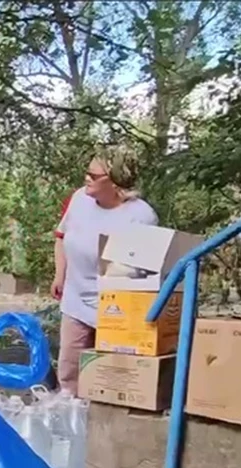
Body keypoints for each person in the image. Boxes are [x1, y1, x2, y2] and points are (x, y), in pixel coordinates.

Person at [51, 145, 158, 395]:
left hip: (116, 307)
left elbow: (144, 273)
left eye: (94, 175)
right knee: (69, 372)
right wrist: (60, 275)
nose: (86, 178)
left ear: (116, 182)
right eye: (86, 172)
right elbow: (61, 236)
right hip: (76, 300)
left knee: (112, 376)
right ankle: (69, 420)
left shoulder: (141, 216)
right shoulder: (80, 199)